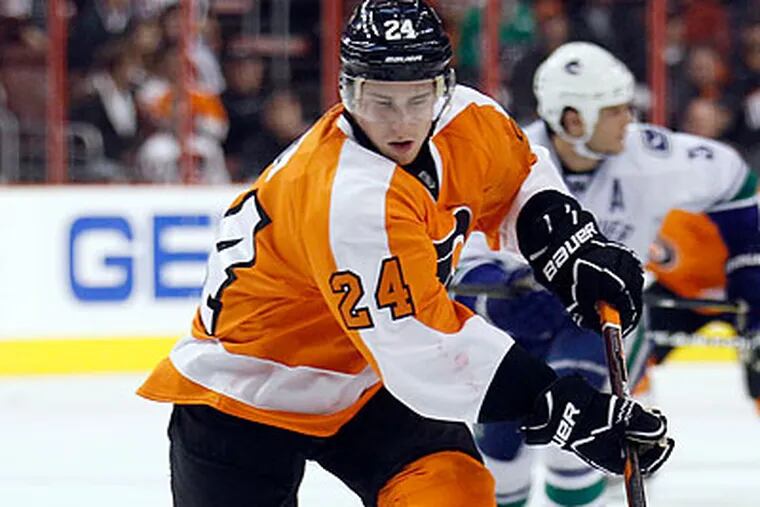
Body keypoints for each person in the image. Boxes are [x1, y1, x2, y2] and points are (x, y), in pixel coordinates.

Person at [137, 4, 673, 506]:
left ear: (444, 86)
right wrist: (562, 407)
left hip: (365, 377)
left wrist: (568, 246)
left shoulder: (469, 119)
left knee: (453, 490)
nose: (402, 123)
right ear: (348, 92)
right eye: (381, 101)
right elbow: (424, 347)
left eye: (419, 98)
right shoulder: (348, 195)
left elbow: (518, 177)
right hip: (246, 390)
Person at [455, 41, 760, 507]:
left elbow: (736, 182)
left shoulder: (652, 157)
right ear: (572, 120)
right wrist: (500, 295)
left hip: (605, 323)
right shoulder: (507, 159)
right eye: (614, 111)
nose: (628, 120)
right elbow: (460, 257)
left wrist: (748, 273)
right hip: (520, 327)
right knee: (500, 458)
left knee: (575, 447)